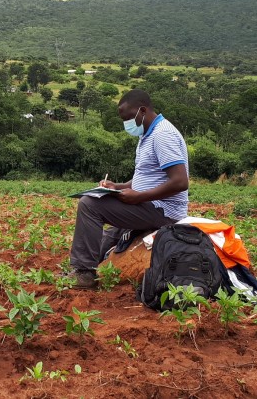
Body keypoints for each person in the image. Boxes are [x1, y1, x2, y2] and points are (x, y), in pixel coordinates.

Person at [69, 89, 189, 289]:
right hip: (148, 204)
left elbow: (180, 182)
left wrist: (139, 197)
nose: (127, 125)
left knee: (89, 205)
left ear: (142, 111)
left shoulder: (162, 135)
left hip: (163, 211)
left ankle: (84, 274)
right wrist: (118, 187)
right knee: (111, 235)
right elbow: (147, 177)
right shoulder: (148, 135)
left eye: (128, 119)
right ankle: (84, 267)